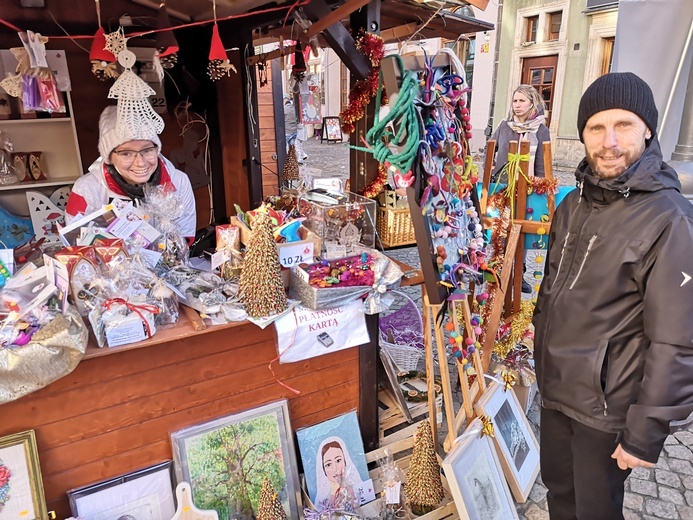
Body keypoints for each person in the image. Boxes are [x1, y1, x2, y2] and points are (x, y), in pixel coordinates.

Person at [533, 72, 693, 520]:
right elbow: (551, 294)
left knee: (595, 511)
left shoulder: (671, 219)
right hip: (556, 391)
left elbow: (678, 340)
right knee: (559, 495)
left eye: (623, 125)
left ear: (647, 128)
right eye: (596, 128)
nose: (609, 141)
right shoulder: (572, 203)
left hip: (606, 407)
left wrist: (646, 430)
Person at [65, 105, 197, 237]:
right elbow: (76, 242)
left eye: (147, 150)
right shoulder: (86, 188)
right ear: (109, 156)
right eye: (126, 153)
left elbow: (185, 235)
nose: (140, 162)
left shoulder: (178, 181)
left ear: (157, 150)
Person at [490, 84, 551, 292]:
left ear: (532, 103)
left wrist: (541, 185)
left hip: (528, 187)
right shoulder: (505, 126)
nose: (517, 105)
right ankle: (497, 268)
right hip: (503, 185)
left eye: (522, 100)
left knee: (522, 229)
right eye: (515, 100)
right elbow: (492, 149)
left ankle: (520, 274)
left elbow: (543, 161)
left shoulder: (541, 130)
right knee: (501, 227)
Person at [314, 437, 360, 508]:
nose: (335, 468)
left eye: (338, 460)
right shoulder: (323, 500)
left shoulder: (352, 487)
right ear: (323, 469)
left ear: (345, 460)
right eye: (328, 464)